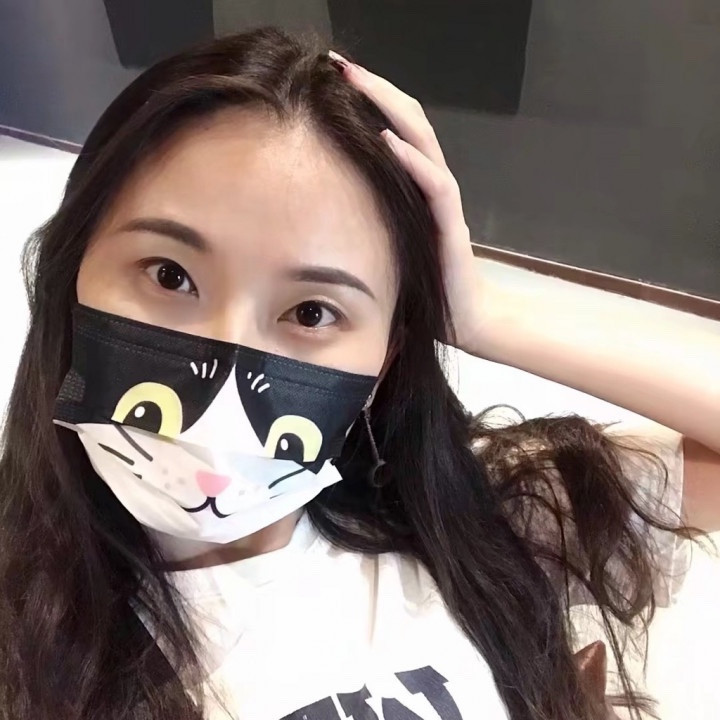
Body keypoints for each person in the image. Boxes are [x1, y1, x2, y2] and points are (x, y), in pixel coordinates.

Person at [0, 26, 717, 720]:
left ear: (385, 361)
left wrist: (485, 317)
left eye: (312, 312)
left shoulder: (477, 522)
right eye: (169, 274)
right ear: (72, 274)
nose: (225, 350)